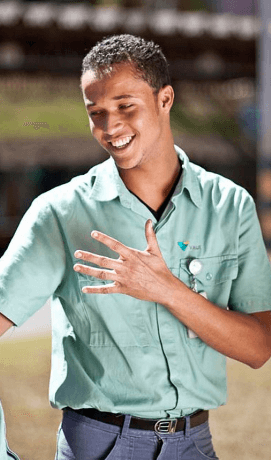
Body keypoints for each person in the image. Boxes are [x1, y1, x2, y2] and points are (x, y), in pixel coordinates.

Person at [0, 34, 271, 460]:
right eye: (97, 113)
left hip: (196, 445)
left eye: (126, 106)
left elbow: (258, 348)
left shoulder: (230, 205)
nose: (111, 127)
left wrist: (165, 288)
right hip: (99, 445)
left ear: (165, 98)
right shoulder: (60, 212)